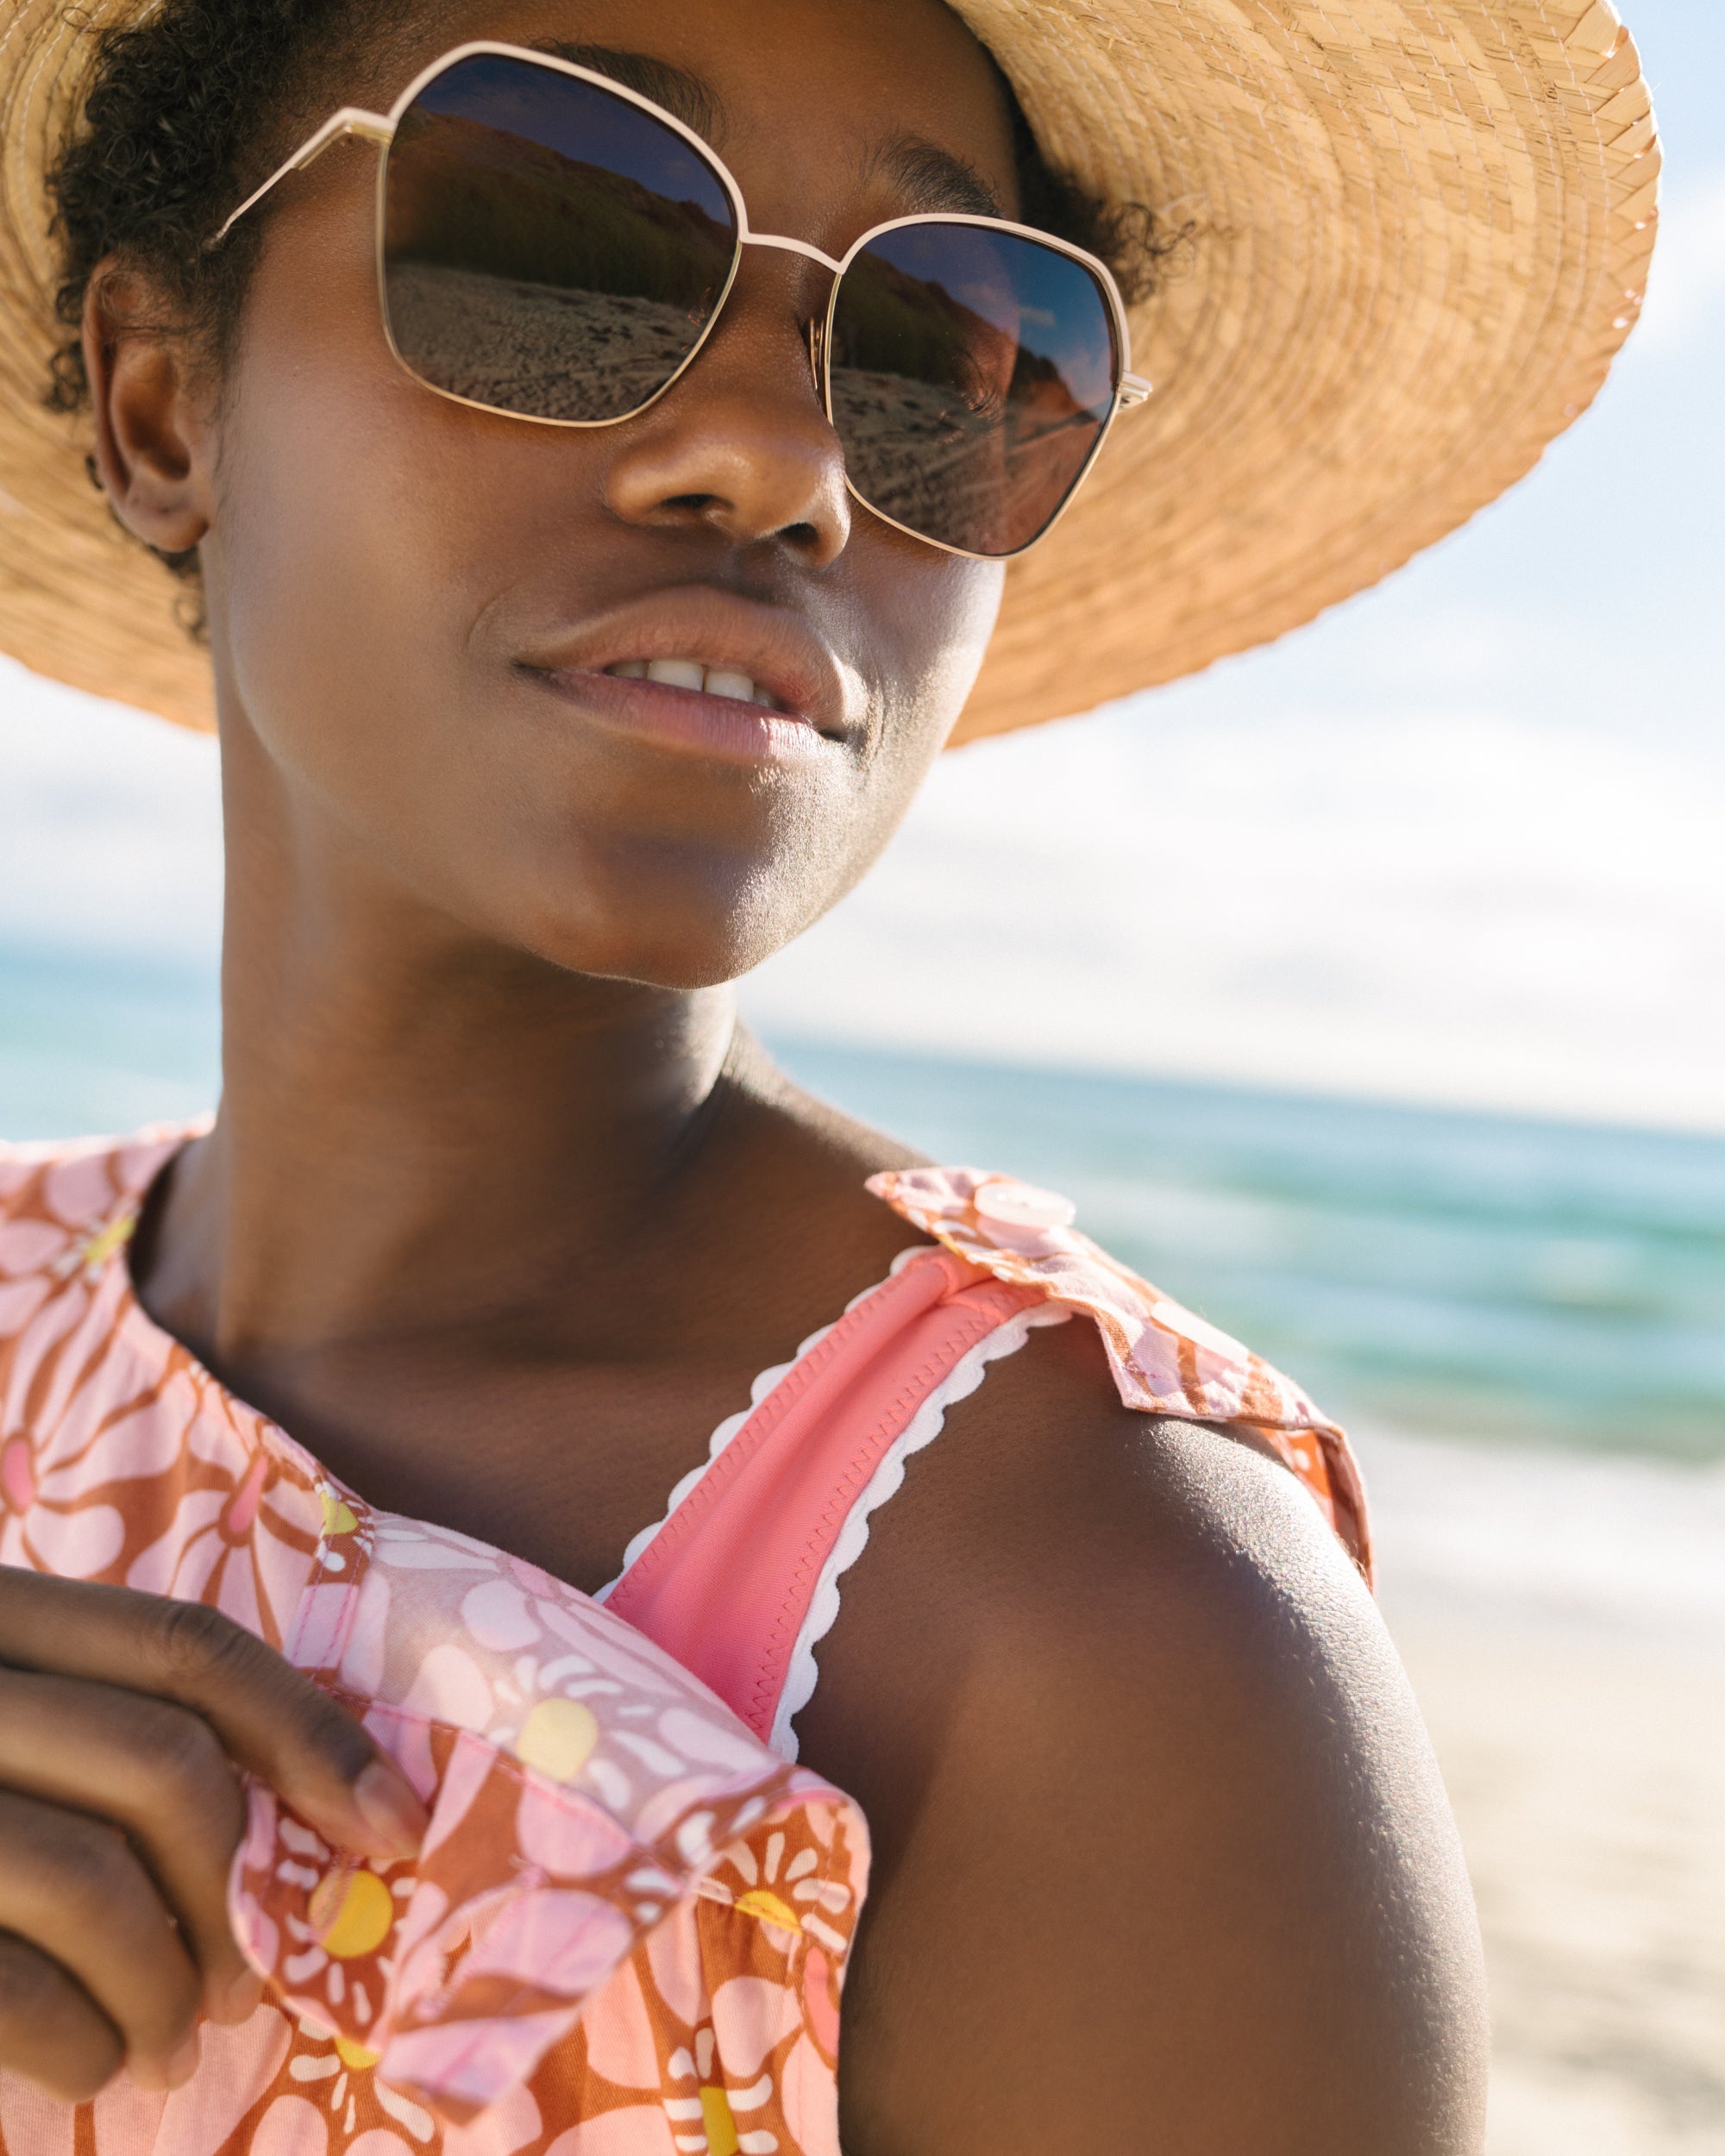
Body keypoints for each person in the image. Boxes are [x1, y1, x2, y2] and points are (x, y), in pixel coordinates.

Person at [0, 0, 1655, 2148]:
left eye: (941, 354)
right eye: (568, 247)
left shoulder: (1105, 1634)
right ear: (158, 407)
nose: (778, 460)